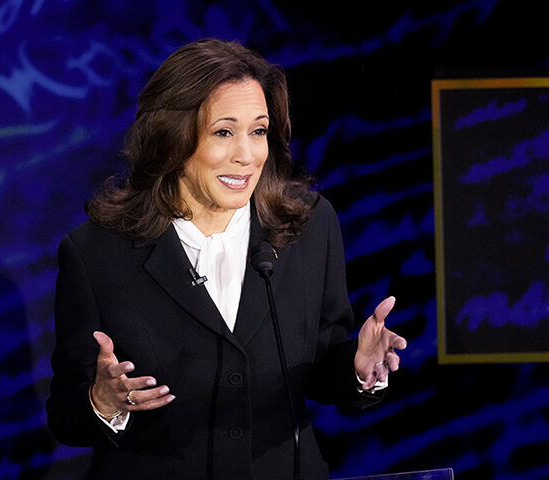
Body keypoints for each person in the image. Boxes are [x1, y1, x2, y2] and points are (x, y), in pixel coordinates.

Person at [46, 38, 407, 480]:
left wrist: (358, 366)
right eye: (223, 132)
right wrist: (103, 401)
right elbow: (65, 416)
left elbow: (320, 370)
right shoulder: (97, 252)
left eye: (258, 131)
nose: (248, 155)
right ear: (173, 138)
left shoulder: (309, 227)